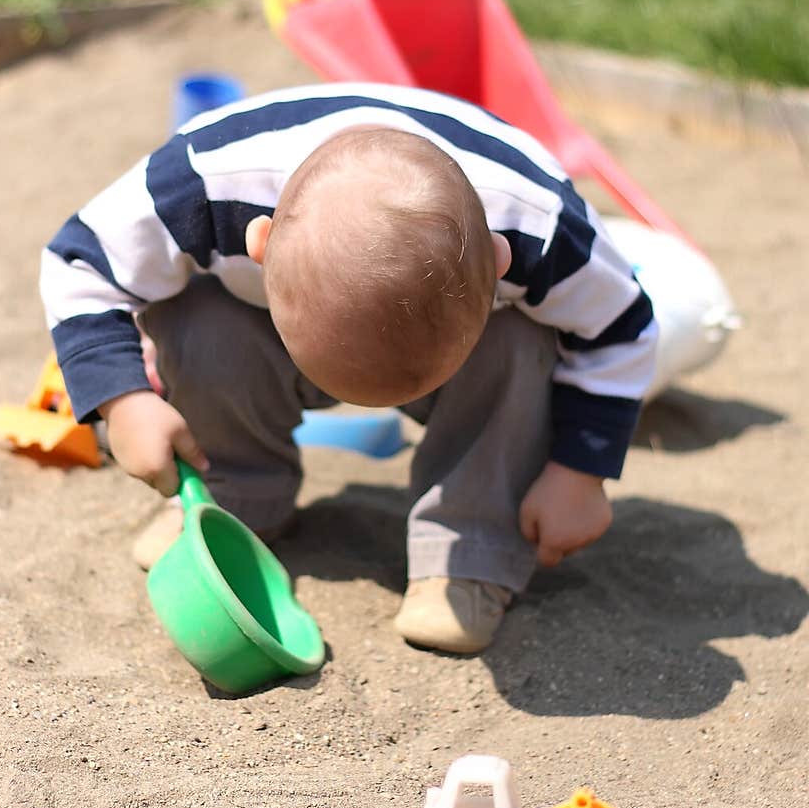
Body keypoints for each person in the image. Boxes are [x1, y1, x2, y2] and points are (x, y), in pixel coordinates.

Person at [40, 82, 657, 654]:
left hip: (487, 352)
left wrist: (580, 471)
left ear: (498, 260)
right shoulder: (202, 183)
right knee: (197, 316)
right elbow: (77, 262)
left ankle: (472, 545)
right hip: (247, 322)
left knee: (521, 343)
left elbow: (624, 330)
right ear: (261, 244)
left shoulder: (540, 225)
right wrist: (124, 399)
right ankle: (232, 492)